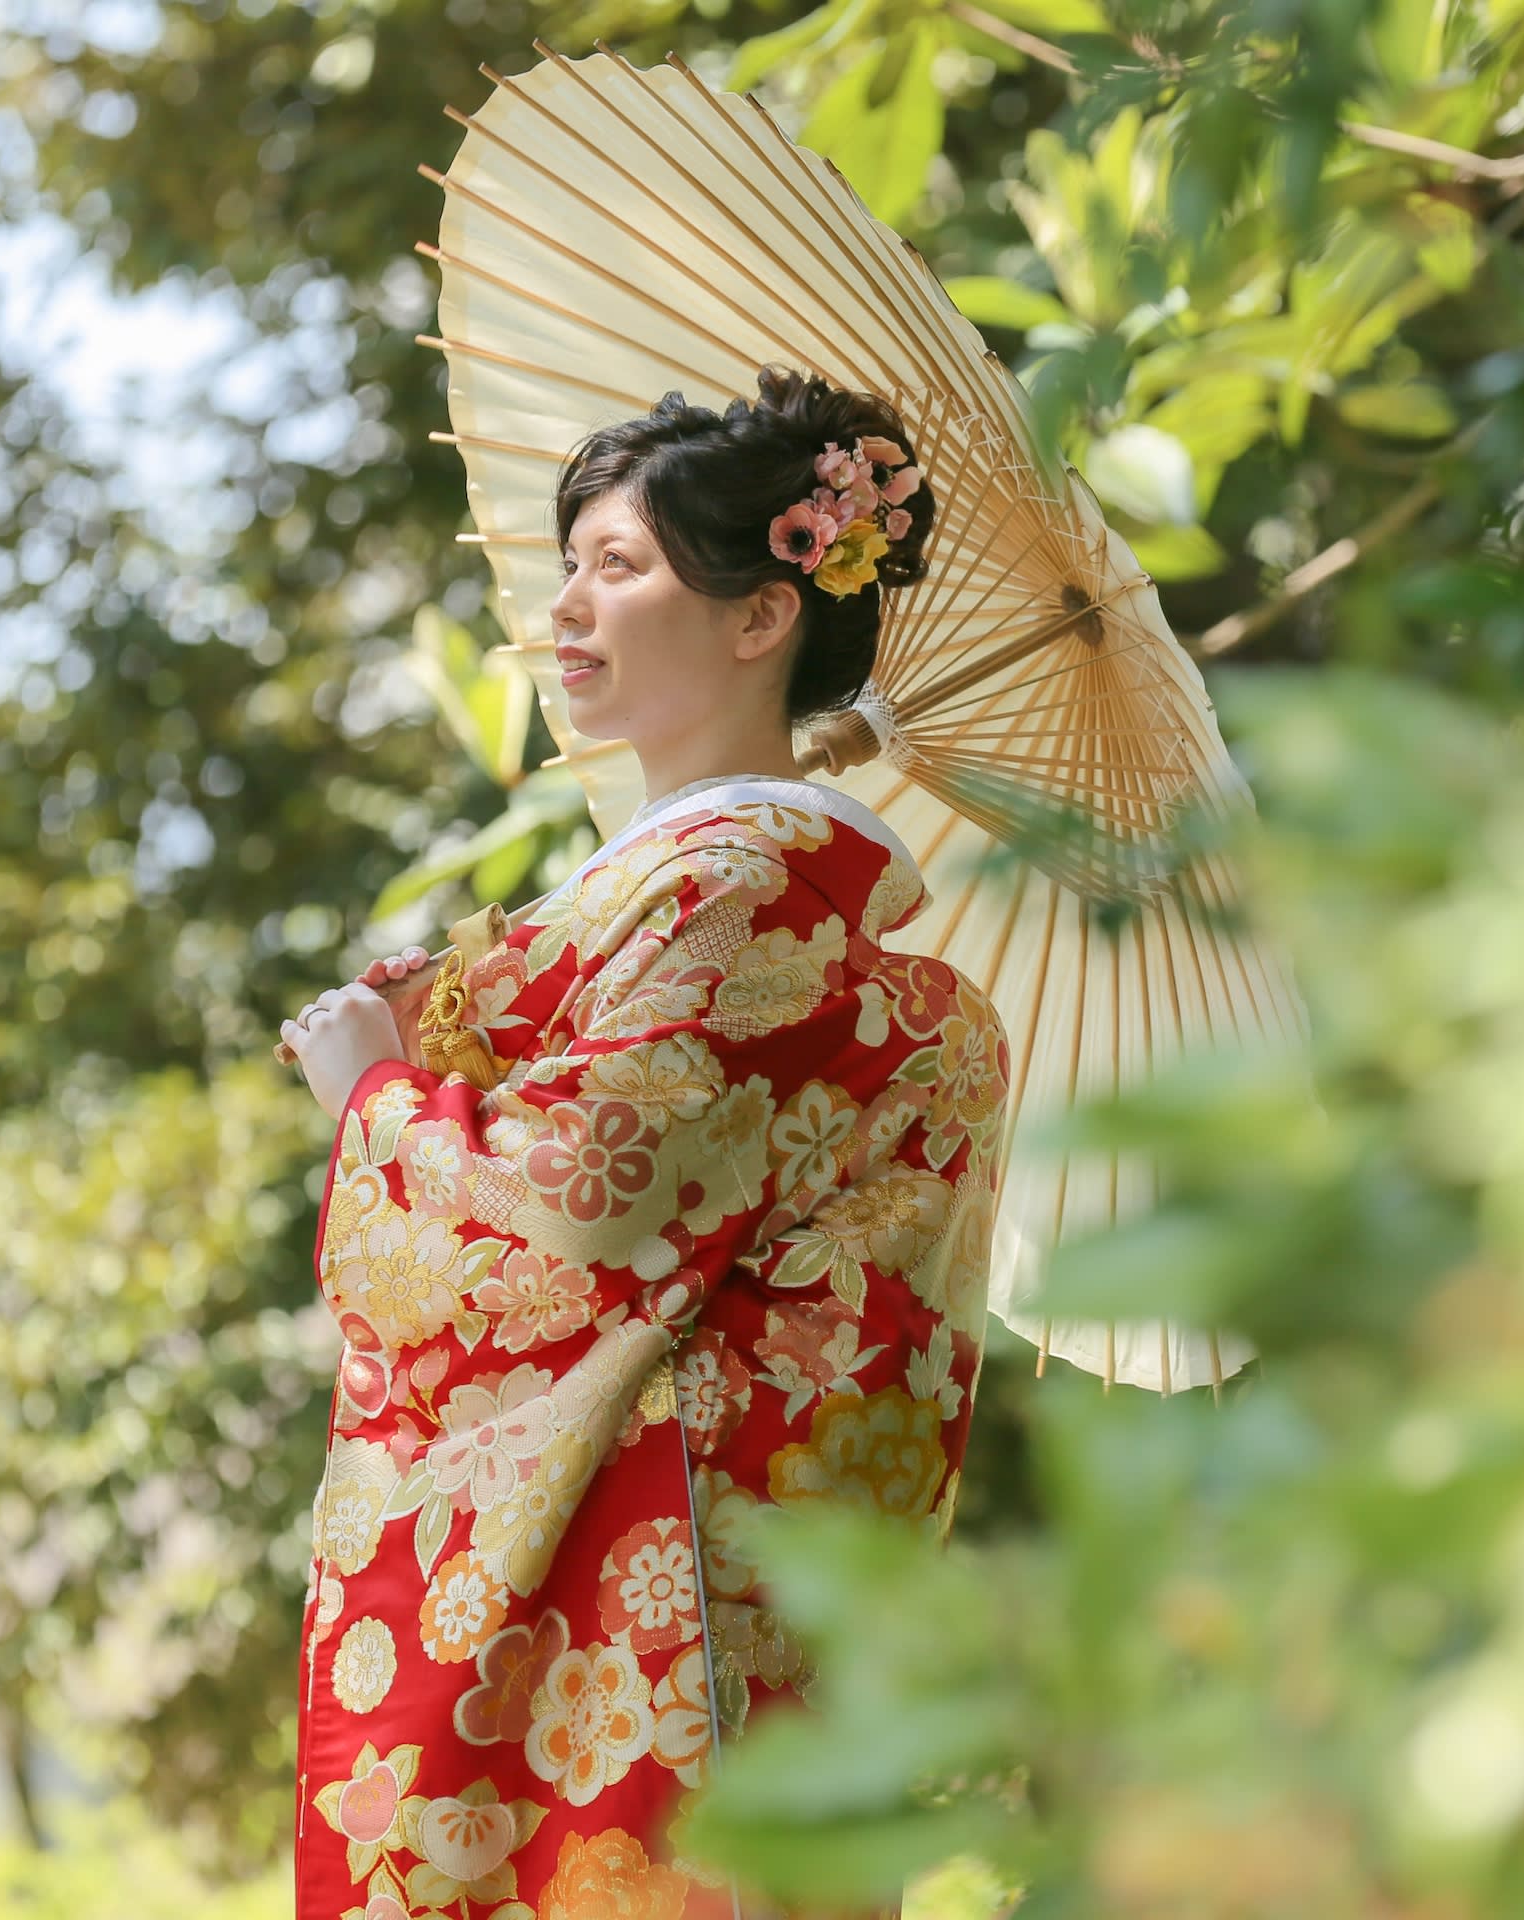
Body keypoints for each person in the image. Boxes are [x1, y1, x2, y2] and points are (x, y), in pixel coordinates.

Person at [278, 367, 1007, 1920]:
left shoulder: (742, 885)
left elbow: (579, 1219)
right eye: (570, 566)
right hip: (719, 1609)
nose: (567, 609)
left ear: (762, 617)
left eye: (618, 566)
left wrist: (378, 1102)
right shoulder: (703, 888)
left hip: (662, 1623)